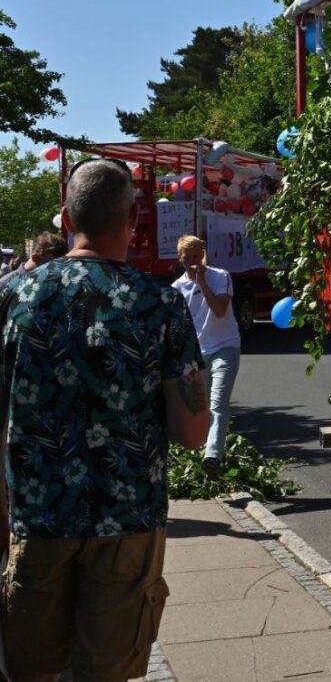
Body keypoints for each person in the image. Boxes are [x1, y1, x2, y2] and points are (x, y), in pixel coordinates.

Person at [0, 158, 208, 682]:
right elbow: (191, 431)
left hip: (38, 515)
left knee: (32, 670)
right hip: (128, 520)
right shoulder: (159, 304)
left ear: (66, 219)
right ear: (134, 220)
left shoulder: (15, 297)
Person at [173, 234, 241, 478]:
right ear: (180, 259)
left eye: (196, 256)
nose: (192, 262)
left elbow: (220, 310)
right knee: (200, 407)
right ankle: (202, 454)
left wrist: (202, 282)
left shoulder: (220, 276)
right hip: (198, 353)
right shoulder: (177, 289)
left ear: (203, 255)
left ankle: (212, 456)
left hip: (225, 347)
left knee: (218, 402)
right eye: (186, 258)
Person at [0, 231, 68, 290]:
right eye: (50, 265)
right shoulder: (5, 284)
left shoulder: (57, 284)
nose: (55, 270)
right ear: (35, 257)